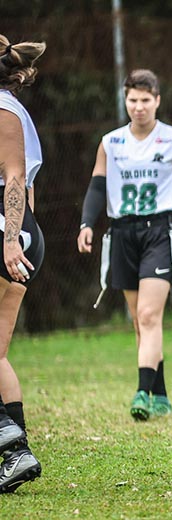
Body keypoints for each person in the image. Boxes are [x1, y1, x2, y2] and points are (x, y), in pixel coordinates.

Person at [77, 69, 172, 421]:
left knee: (149, 315)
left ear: (157, 101)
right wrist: (86, 223)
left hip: (159, 232)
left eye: (146, 100)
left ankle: (143, 392)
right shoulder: (110, 142)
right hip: (122, 234)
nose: (139, 107)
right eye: (133, 100)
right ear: (125, 100)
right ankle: (160, 392)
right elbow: (97, 185)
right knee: (139, 321)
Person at [0, 34, 46, 492]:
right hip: (18, 230)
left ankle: (3, 430)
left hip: (8, 232)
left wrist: (11, 241)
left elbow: (14, 179)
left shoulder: (3, 109)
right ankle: (17, 454)